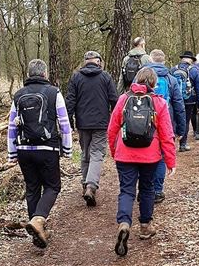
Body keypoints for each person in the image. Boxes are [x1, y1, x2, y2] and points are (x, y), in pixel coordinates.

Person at [108, 67, 176, 257]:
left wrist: (115, 151)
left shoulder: (123, 100)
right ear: (154, 84)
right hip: (150, 156)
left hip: (125, 154)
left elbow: (112, 129)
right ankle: (145, 226)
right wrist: (170, 161)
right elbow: (167, 135)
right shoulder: (159, 103)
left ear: (136, 80)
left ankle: (124, 223)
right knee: (147, 189)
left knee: (126, 190)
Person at [7, 59, 72, 249]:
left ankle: (37, 231)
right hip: (48, 148)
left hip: (24, 150)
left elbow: (12, 126)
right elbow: (64, 123)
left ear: (29, 74)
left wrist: (12, 153)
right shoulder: (53, 93)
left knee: (32, 188)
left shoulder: (18, 95)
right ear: (45, 74)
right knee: (52, 186)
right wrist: (67, 149)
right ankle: (38, 221)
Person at [66, 51, 118, 206]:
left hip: (83, 123)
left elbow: (70, 100)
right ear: (98, 62)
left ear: (85, 62)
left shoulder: (76, 77)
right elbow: (114, 99)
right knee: (96, 154)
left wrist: (69, 121)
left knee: (85, 153)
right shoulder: (105, 77)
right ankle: (91, 185)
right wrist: (117, 121)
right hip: (101, 123)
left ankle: (85, 184)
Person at [146, 49, 185, 203]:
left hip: (142, 123)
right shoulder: (171, 79)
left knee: (144, 154)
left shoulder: (141, 76)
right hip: (165, 121)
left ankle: (145, 189)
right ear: (163, 61)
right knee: (161, 157)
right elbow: (179, 105)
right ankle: (157, 190)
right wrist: (181, 129)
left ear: (150, 59)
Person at [171, 51, 199, 151]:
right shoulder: (193, 70)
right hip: (189, 100)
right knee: (185, 121)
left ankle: (171, 144)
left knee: (173, 120)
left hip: (174, 99)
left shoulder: (173, 69)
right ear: (191, 60)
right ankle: (183, 144)